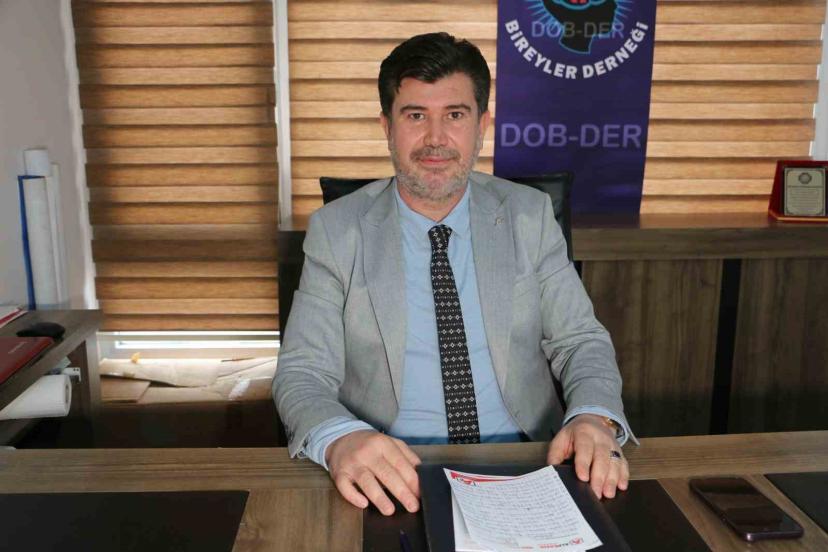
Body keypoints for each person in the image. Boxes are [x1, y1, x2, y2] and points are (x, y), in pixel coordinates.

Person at [273, 32, 636, 517]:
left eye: (455, 115)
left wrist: (593, 417)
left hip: (529, 460)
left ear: (482, 125)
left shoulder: (529, 216)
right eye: (415, 116)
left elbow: (580, 342)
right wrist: (340, 439)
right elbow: (303, 372)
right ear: (386, 126)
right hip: (388, 470)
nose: (436, 139)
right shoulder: (337, 231)